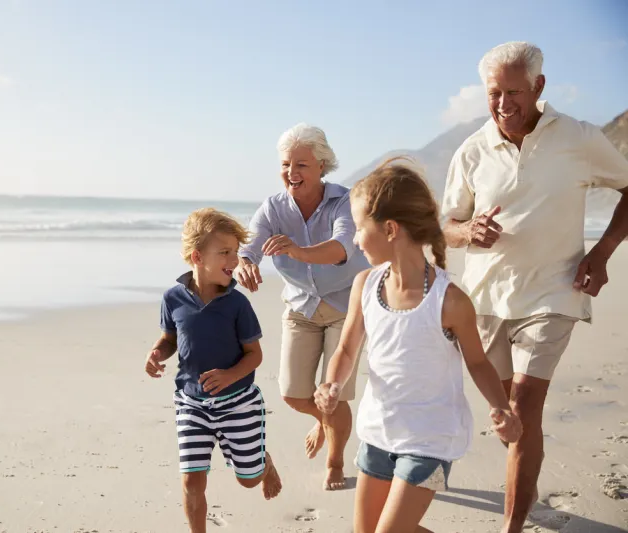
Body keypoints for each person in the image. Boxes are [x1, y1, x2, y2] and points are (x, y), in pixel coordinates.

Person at [441, 41, 628, 533]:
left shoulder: (579, 138)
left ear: (539, 87)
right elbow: (446, 224)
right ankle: (527, 469)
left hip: (554, 292)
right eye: (494, 94)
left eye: (514, 93)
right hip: (485, 301)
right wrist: (467, 232)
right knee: (511, 423)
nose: (503, 104)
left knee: (523, 410)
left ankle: (512, 526)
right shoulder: (472, 150)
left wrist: (602, 253)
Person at [314, 159, 523, 533]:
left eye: (360, 228)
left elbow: (477, 363)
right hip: (378, 431)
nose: (355, 239)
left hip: (430, 440)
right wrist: (332, 384)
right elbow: (346, 350)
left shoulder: (450, 301)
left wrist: (501, 408)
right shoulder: (365, 285)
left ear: (390, 229)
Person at [235, 123, 371, 490]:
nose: (291, 173)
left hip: (346, 307)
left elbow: (343, 247)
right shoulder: (273, 208)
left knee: (332, 392)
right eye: (285, 165)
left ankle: (336, 462)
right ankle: (324, 419)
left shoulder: (345, 201)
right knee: (294, 394)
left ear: (322, 165)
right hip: (301, 309)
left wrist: (297, 250)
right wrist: (245, 263)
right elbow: (248, 246)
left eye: (302, 165)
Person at [144, 208, 282, 533]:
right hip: (191, 403)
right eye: (225, 252)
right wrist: (157, 353)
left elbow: (254, 355)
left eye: (235, 252)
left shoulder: (237, 304)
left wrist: (229, 375)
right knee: (192, 479)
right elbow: (169, 339)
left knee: (248, 479)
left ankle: (263, 462)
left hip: (239, 402)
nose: (234, 260)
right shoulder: (173, 299)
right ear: (197, 256)